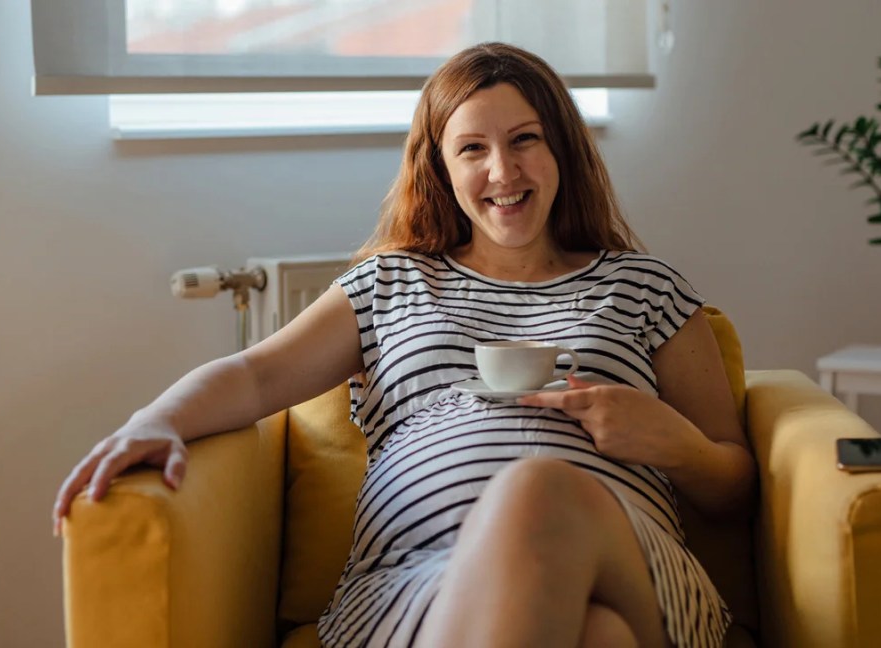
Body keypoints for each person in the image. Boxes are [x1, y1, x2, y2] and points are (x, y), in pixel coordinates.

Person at [53, 42, 757, 648]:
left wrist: (668, 439)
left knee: (539, 491)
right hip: (418, 582)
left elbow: (732, 487)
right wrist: (155, 421)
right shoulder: (390, 283)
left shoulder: (645, 287)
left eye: (524, 140)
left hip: (630, 563)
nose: (502, 172)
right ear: (442, 169)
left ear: (563, 151)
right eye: (472, 149)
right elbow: (254, 379)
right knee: (595, 637)